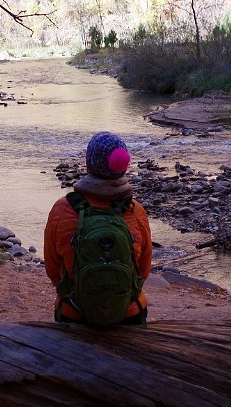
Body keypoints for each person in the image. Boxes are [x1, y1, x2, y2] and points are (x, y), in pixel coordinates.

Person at [44, 131, 152, 325]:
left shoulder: (62, 209)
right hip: (129, 313)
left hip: (75, 313)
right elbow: (143, 271)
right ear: (123, 168)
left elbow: (52, 271)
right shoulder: (135, 211)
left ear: (90, 164)